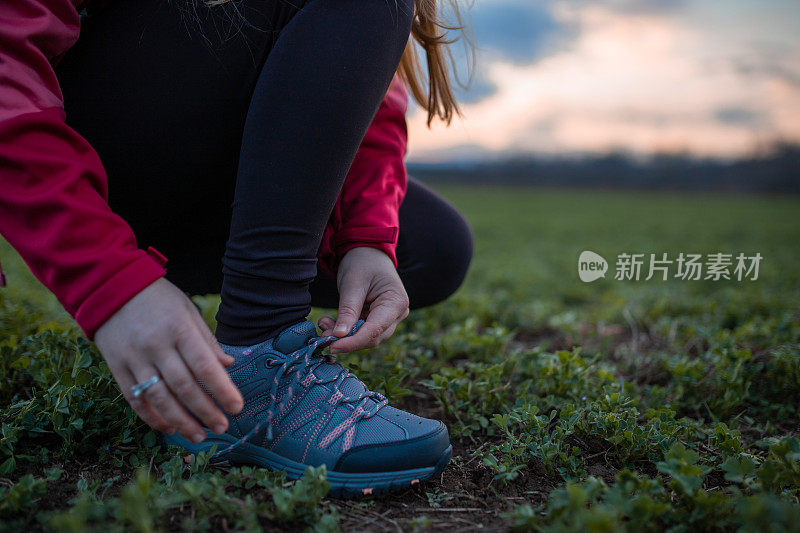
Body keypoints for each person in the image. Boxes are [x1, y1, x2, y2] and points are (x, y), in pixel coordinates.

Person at [0, 0, 472, 496]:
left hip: (193, 177)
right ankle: (260, 349)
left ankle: (250, 298)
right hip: (96, 152)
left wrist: (364, 235)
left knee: (432, 247)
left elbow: (358, 86)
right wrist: (105, 275)